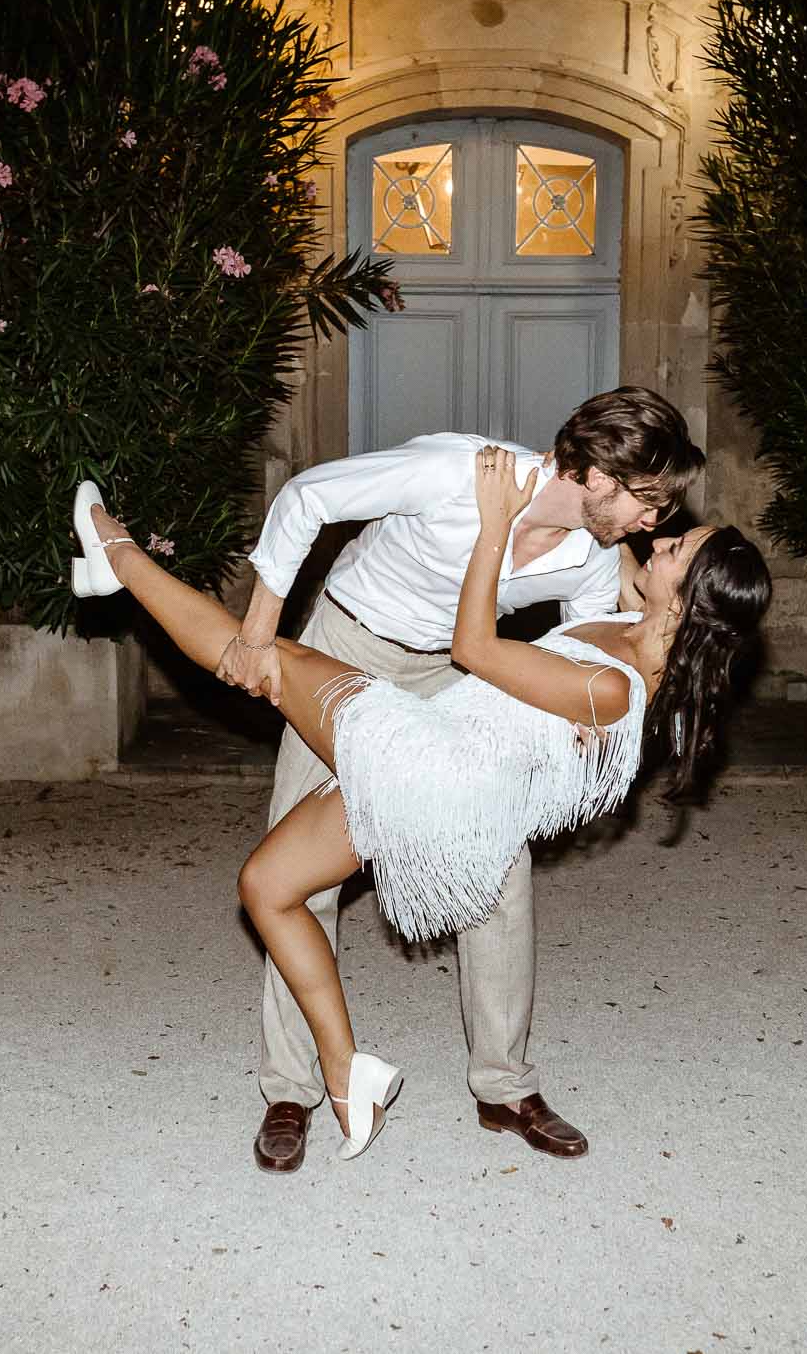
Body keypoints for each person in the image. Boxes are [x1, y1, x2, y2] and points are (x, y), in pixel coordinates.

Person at [69, 444, 773, 1162]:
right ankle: (339, 1077)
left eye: (676, 542)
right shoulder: (634, 619)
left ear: (687, 598)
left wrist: (496, 522)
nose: (656, 534)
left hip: (429, 764)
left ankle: (109, 541)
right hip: (428, 736)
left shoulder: (617, 686)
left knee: (253, 660)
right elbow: (629, 585)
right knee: (267, 886)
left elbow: (474, 647)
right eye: (651, 510)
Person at [226, 387, 704, 1173]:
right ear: (591, 471)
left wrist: (579, 715)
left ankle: (505, 1086)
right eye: (645, 500)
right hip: (350, 646)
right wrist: (258, 629)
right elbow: (308, 495)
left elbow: (571, 643)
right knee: (298, 875)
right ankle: (292, 1086)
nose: (653, 522)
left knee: (496, 868)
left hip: (453, 678)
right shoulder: (455, 473)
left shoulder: (589, 552)